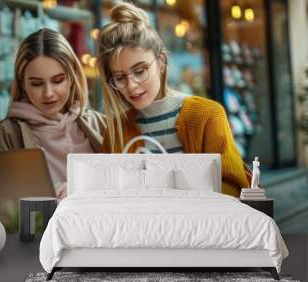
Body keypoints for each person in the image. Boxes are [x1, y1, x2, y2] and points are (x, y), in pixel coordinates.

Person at [96, 2, 251, 197]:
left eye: (139, 71)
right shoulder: (116, 130)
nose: (131, 85)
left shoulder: (208, 114)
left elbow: (234, 186)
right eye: (119, 78)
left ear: (161, 62)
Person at [0, 28, 106, 199]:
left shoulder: (100, 124)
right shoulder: (7, 135)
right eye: (37, 84)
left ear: (72, 76)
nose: (48, 93)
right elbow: (1, 207)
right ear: (22, 83)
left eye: (58, 81)